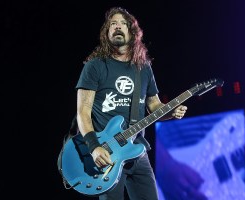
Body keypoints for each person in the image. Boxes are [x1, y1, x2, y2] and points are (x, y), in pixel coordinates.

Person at [75, 7, 206, 200]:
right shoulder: (95, 66)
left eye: (123, 24)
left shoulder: (143, 68)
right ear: (106, 32)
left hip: (136, 150)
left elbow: (154, 106)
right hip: (107, 154)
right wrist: (95, 147)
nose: (117, 27)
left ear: (133, 32)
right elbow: (83, 112)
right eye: (113, 24)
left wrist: (171, 112)